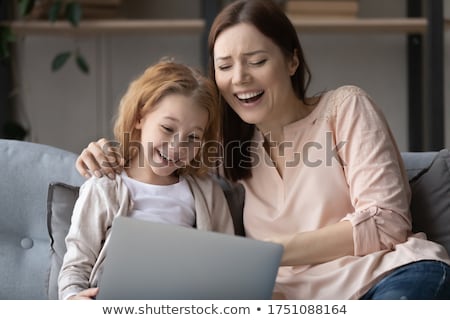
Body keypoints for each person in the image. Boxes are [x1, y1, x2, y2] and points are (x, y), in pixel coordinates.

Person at [75, 0, 450, 299]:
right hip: (292, 302)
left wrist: (270, 252)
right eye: (225, 66)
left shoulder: (345, 108)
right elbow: (166, 156)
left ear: (291, 60)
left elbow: (387, 221)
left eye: (257, 61)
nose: (240, 77)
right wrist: (109, 152)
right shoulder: (227, 147)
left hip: (389, 277)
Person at [58, 60, 234, 300]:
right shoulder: (104, 186)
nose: (177, 146)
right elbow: (75, 267)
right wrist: (73, 299)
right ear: (139, 118)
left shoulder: (207, 192)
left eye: (193, 137)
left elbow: (229, 265)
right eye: (167, 128)